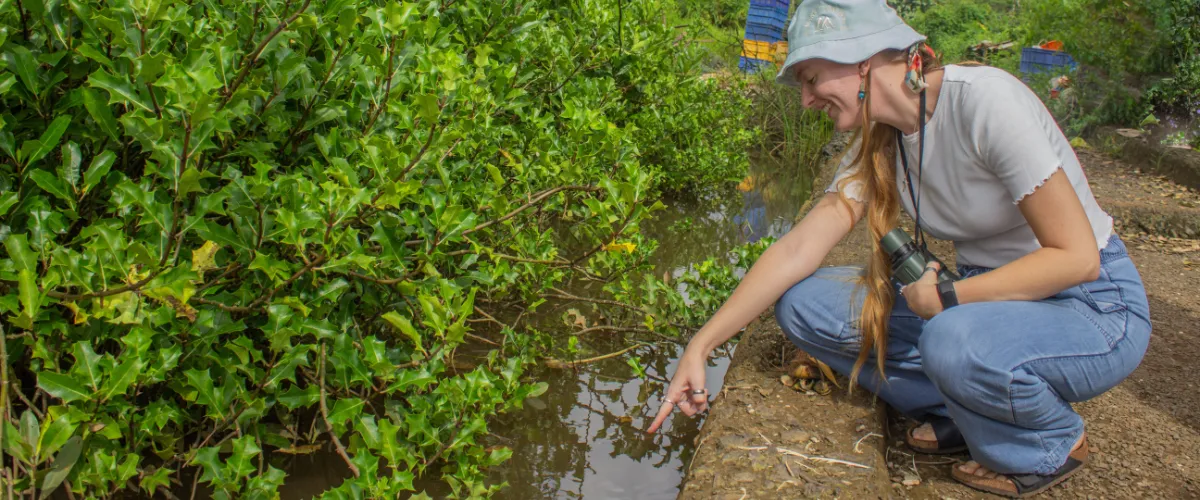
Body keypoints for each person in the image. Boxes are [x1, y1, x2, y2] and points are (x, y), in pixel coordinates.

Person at [646, 0, 1152, 497]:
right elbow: (799, 248)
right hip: (990, 305)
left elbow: (1077, 258)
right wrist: (702, 344)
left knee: (951, 339)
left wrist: (950, 300)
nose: (805, 99)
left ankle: (1046, 442)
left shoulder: (985, 102)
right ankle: (960, 410)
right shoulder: (882, 139)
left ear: (862, 59)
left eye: (810, 78)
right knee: (803, 306)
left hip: (1092, 307)